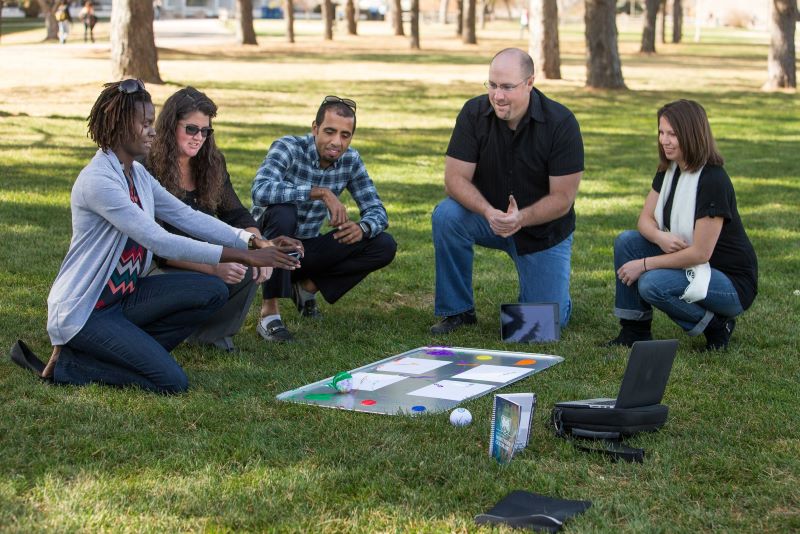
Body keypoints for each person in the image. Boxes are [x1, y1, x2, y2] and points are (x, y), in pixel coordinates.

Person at [9, 80, 301, 394]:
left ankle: (125, 351)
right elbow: (159, 240)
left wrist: (252, 241)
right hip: (86, 310)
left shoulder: (137, 174)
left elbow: (187, 217)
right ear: (120, 126)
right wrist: (244, 256)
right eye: (145, 124)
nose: (152, 131)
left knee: (212, 290)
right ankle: (72, 365)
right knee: (172, 382)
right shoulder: (99, 180)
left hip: (123, 297)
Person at [430, 48, 584, 334]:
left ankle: (553, 300)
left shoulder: (561, 123)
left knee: (540, 328)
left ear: (530, 83)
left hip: (542, 230)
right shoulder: (473, 113)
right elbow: (454, 180)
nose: (498, 95)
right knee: (446, 215)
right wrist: (489, 212)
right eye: (492, 85)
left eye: (507, 87)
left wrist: (520, 218)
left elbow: (563, 198)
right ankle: (457, 312)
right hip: (488, 218)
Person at [610, 100, 757, 351]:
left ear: (691, 134)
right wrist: (659, 237)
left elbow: (700, 253)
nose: (664, 140)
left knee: (651, 284)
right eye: (661, 132)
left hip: (728, 282)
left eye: (672, 134)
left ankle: (716, 326)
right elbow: (645, 220)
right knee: (627, 241)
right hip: (693, 265)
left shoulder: (713, 180)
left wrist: (644, 265)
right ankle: (634, 330)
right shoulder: (669, 169)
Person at [251, 95, 397, 342]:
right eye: (329, 132)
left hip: (306, 249)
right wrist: (318, 192)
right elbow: (260, 190)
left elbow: (378, 211)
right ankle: (269, 313)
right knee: (283, 210)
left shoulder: (350, 160)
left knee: (384, 243)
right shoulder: (288, 147)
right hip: (265, 249)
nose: (336, 142)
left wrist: (362, 228)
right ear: (315, 128)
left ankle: (306, 288)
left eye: (345, 135)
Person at [147, 87, 275, 352]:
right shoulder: (148, 167)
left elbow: (236, 214)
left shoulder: (212, 162)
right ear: (171, 125)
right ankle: (173, 327)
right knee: (229, 265)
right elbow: (158, 247)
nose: (199, 138)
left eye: (206, 131)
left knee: (249, 257)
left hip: (205, 252)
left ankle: (211, 334)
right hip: (161, 263)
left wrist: (259, 244)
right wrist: (214, 266)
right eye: (191, 129)